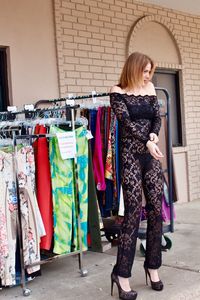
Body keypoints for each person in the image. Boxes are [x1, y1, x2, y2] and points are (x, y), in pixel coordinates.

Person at [110, 52, 164, 300]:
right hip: (131, 156)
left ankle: (152, 267)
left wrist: (153, 136)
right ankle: (122, 275)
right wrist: (146, 141)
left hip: (149, 154)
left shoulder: (150, 88)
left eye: (149, 71)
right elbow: (127, 124)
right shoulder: (117, 91)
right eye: (144, 71)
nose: (147, 76)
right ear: (133, 68)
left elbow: (156, 118)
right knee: (132, 212)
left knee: (155, 209)